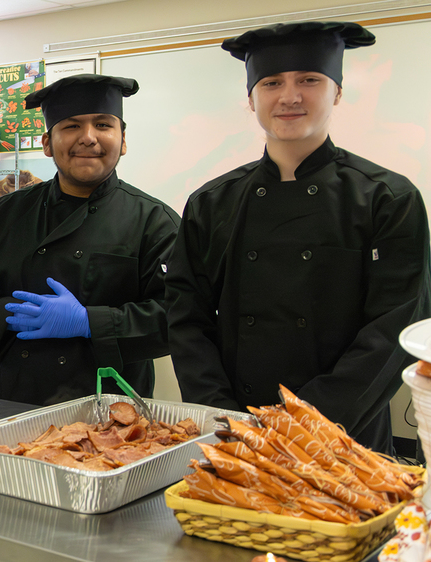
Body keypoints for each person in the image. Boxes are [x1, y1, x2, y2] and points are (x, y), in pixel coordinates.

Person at [164, 21, 431, 454]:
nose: (289, 96)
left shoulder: (387, 197)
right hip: (238, 431)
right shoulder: (212, 202)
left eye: (309, 79)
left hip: (346, 435)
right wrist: (220, 415)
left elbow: (392, 328)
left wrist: (305, 428)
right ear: (251, 98)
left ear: (337, 92)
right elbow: (186, 317)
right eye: (271, 82)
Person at [0, 74, 180, 406]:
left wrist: (89, 323)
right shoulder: (5, 214)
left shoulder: (154, 221)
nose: (88, 138)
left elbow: (177, 317)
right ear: (47, 143)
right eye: (70, 127)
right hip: (15, 397)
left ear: (123, 140)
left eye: (103, 125)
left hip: (111, 409)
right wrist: (6, 313)